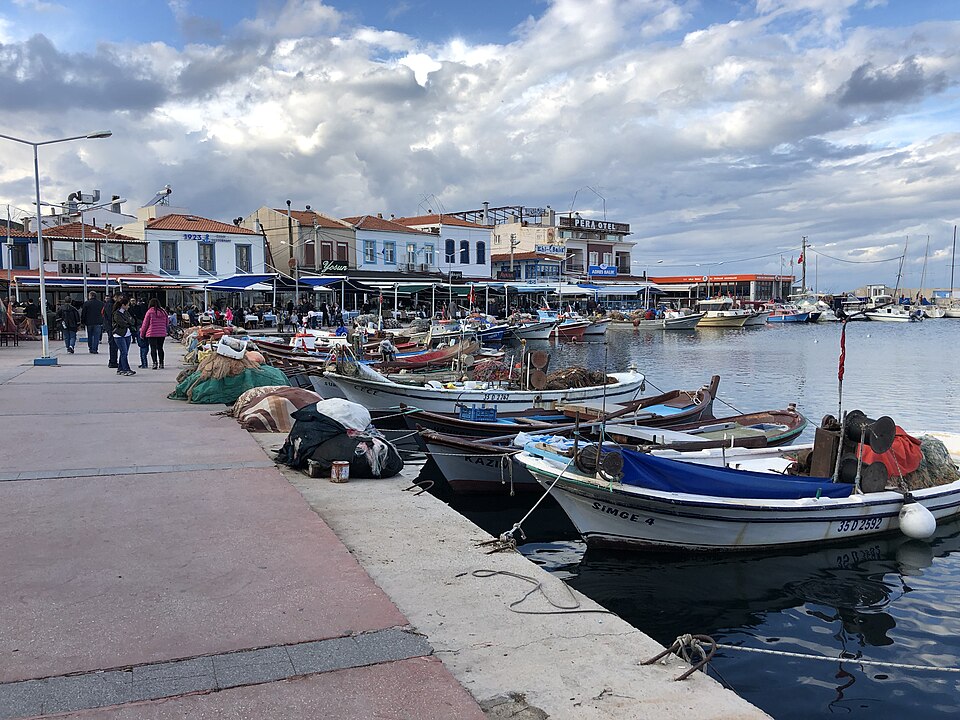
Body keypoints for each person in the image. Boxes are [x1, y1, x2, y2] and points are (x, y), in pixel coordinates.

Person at [140, 298, 170, 370]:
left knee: (153, 348)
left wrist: (142, 333)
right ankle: (161, 363)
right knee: (160, 348)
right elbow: (167, 322)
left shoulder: (149, 312)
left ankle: (155, 363)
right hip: (161, 333)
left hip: (152, 333)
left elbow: (145, 324)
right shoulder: (164, 312)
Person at [111, 295, 137, 376]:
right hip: (119, 334)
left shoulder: (126, 312)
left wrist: (128, 322)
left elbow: (132, 321)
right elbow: (122, 323)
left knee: (124, 353)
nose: (128, 306)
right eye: (127, 305)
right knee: (124, 352)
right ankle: (126, 369)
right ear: (123, 305)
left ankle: (120, 369)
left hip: (127, 334)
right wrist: (128, 322)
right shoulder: (117, 314)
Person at [130, 297, 149, 369]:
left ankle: (144, 363)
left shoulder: (140, 308)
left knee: (142, 345)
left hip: (140, 325)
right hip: (140, 326)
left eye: (133, 300)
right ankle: (145, 363)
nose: (133, 302)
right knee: (143, 345)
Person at [104, 292, 120, 368]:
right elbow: (111, 316)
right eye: (120, 298)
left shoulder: (110, 304)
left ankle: (113, 360)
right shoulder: (110, 305)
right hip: (111, 327)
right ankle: (113, 361)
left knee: (114, 344)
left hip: (110, 327)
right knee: (113, 344)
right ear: (115, 297)